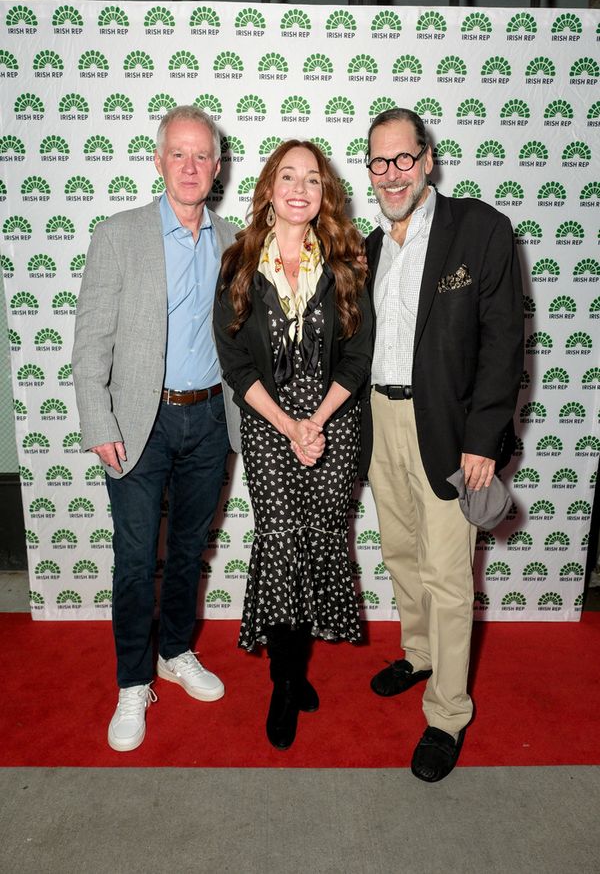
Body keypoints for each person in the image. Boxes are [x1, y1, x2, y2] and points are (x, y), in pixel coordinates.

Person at [361, 108, 523, 781]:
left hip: (451, 433)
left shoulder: (479, 230)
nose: (392, 173)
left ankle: (448, 712)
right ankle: (420, 653)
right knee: (401, 554)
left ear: (429, 159)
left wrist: (484, 438)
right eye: (379, 162)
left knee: (450, 576)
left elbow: (503, 342)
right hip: (379, 421)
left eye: (404, 158)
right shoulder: (370, 247)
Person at [72, 106, 238, 752]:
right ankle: (132, 681)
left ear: (217, 168)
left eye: (203, 157)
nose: (191, 167)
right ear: (158, 161)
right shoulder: (119, 235)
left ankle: (175, 650)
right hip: (137, 421)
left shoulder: (233, 241)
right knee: (136, 559)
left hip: (208, 420)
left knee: (191, 547)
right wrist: (97, 419)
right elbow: (90, 343)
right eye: (180, 155)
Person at [214, 140, 373, 750]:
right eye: (288, 175)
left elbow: (358, 356)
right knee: (281, 545)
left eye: (313, 177)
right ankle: (284, 682)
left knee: (318, 544)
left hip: (335, 421)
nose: (300, 187)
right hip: (268, 423)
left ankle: (296, 668)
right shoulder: (238, 262)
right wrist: (290, 425)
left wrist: (319, 421)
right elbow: (234, 358)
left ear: (324, 192)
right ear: (269, 187)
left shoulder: (345, 262)